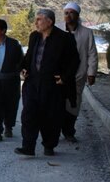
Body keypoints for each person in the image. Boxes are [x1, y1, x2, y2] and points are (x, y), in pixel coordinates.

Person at [15, 9, 79, 156]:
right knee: (29, 114)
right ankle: (28, 147)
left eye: (39, 19)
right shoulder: (34, 37)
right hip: (33, 83)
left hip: (52, 85)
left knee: (51, 116)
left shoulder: (64, 38)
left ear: (49, 21)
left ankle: (49, 145)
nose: (35, 22)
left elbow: (74, 61)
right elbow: (29, 56)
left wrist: (64, 77)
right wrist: (23, 68)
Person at [61, 2, 98, 143]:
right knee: (58, 104)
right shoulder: (58, 32)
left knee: (73, 105)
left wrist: (91, 73)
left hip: (78, 75)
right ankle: (56, 130)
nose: (68, 15)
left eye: (71, 12)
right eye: (66, 13)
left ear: (77, 15)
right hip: (60, 76)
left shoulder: (87, 33)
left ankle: (69, 131)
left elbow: (92, 54)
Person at [0, 19, 23, 142]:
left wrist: (16, 72)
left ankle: (9, 126)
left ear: (3, 30)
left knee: (11, 105)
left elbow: (21, 61)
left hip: (11, 80)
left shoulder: (15, 44)